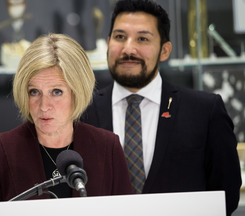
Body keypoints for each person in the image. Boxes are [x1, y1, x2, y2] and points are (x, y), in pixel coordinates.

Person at [81, 0, 242, 215]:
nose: (129, 48)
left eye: (142, 39)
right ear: (108, 43)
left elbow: (226, 195)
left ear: (164, 50)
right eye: (120, 37)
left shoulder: (204, 111)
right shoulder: (81, 112)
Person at [0, 33, 133, 216]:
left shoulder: (107, 147)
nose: (44, 106)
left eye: (56, 92)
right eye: (34, 92)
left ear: (77, 92)